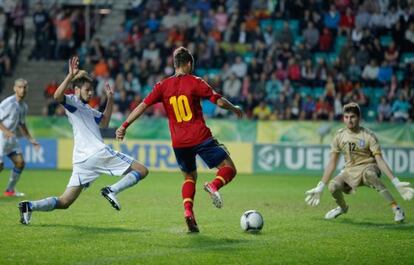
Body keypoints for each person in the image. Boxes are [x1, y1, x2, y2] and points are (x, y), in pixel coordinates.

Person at [116, 47, 243, 233]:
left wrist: (124, 125)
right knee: (229, 168)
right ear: (189, 64)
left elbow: (142, 106)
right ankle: (214, 185)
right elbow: (219, 101)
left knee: (189, 177)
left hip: (179, 143)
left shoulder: (162, 86)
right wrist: (235, 109)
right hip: (200, 136)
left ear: (175, 65)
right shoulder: (196, 82)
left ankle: (188, 212)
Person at [18, 57, 149, 225]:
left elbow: (105, 122)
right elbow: (57, 96)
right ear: (77, 90)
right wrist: (69, 75)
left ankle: (29, 206)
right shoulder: (72, 102)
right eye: (88, 89)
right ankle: (111, 190)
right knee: (142, 170)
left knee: (65, 202)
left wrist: (110, 99)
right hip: (97, 152)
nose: (91, 92)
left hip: (82, 161)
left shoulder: (88, 109)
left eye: (92, 90)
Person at [305, 102, 414, 222]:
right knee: (333, 186)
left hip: (369, 166)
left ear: (359, 118)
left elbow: (379, 160)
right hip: (350, 171)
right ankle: (342, 208)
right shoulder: (339, 136)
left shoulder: (368, 135)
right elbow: (332, 162)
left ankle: (396, 208)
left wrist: (396, 182)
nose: (349, 120)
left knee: (370, 175)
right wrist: (320, 186)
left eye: (352, 117)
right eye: (346, 117)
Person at [0, 78, 40, 197]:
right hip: (1, 137)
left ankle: (10, 190)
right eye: (20, 87)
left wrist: (31, 139)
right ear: (14, 88)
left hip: (10, 138)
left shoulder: (24, 107)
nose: (22, 90)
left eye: (24, 87)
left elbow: (22, 124)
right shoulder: (8, 103)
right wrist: (6, 131)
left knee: (20, 163)